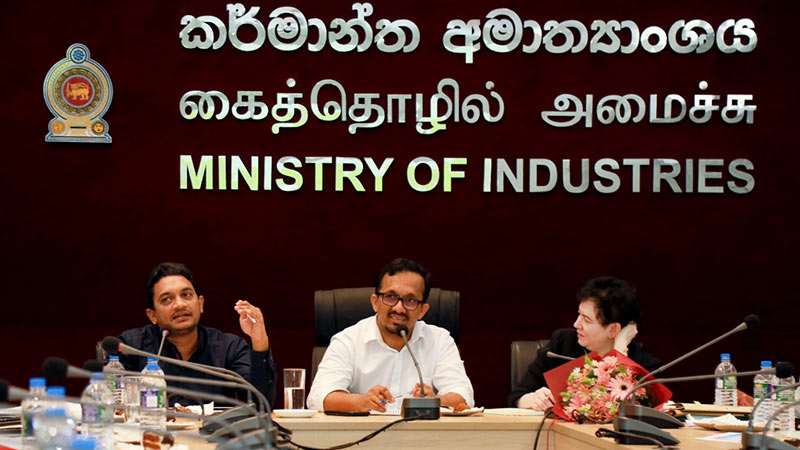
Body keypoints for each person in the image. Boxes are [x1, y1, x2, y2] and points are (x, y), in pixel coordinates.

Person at [307, 258, 474, 412]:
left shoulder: (439, 340)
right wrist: (362, 402)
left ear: (422, 310)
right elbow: (319, 396)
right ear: (375, 302)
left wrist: (436, 400)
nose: (399, 308)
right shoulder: (348, 340)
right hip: (363, 440)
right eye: (390, 297)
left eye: (410, 300)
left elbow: (463, 395)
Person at [118, 262, 276, 406]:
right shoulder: (131, 347)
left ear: (200, 304)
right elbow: (107, 400)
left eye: (186, 295)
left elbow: (261, 401)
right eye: (167, 299)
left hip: (215, 436)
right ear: (152, 315)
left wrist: (259, 339)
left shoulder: (228, 347)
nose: (179, 305)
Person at [507, 276, 660, 410]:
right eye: (579, 314)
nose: (576, 324)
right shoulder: (561, 345)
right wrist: (532, 399)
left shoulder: (642, 364)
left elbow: (639, 411)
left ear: (613, 330)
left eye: (586, 320)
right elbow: (516, 397)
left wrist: (619, 352)